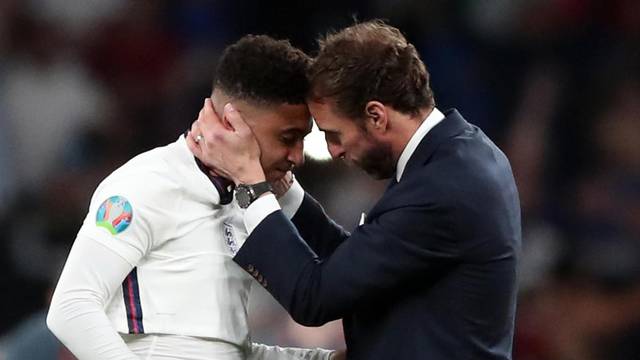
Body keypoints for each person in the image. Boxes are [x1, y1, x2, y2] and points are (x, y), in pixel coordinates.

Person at [187, 20, 521, 360]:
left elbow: (313, 297)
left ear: (376, 116)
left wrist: (251, 186)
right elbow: (357, 264)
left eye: (335, 134)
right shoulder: (456, 156)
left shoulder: (443, 188)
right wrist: (285, 193)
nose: (333, 151)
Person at [46, 35, 340, 360]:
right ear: (232, 124)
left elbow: (226, 353)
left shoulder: (248, 201)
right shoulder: (146, 183)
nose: (297, 157)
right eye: (288, 138)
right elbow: (71, 307)